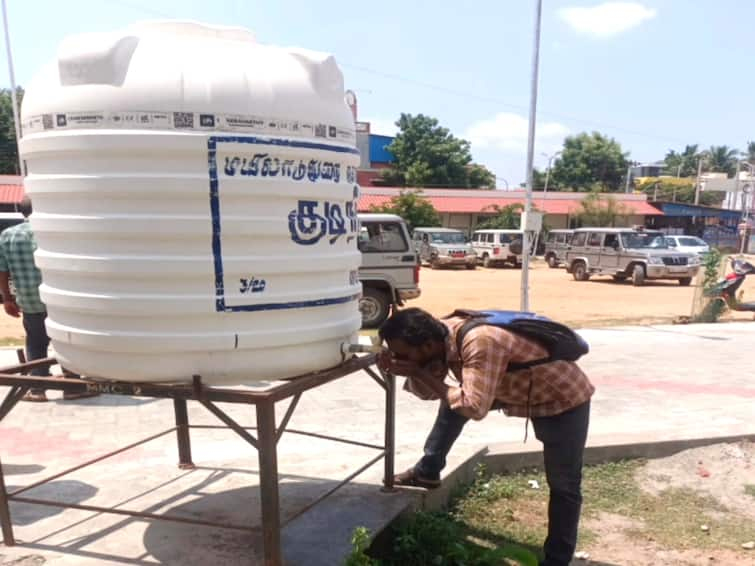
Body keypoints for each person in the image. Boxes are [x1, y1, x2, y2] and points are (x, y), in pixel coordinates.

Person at [377, 308, 594, 566]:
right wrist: (405, 368)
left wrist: (418, 372)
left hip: (561, 397)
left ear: (426, 345)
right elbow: (432, 392)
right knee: (453, 401)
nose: (400, 357)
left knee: (564, 485)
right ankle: (428, 470)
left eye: (402, 353)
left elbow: (474, 407)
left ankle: (557, 560)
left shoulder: (480, 342)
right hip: (512, 388)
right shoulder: (439, 337)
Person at [0, 197, 96, 401]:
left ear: (21, 211)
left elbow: (3, 270)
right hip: (59, 299)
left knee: (35, 342)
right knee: (65, 341)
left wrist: (7, 298)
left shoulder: (8, 236)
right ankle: (73, 386)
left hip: (29, 299)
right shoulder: (56, 233)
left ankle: (37, 388)